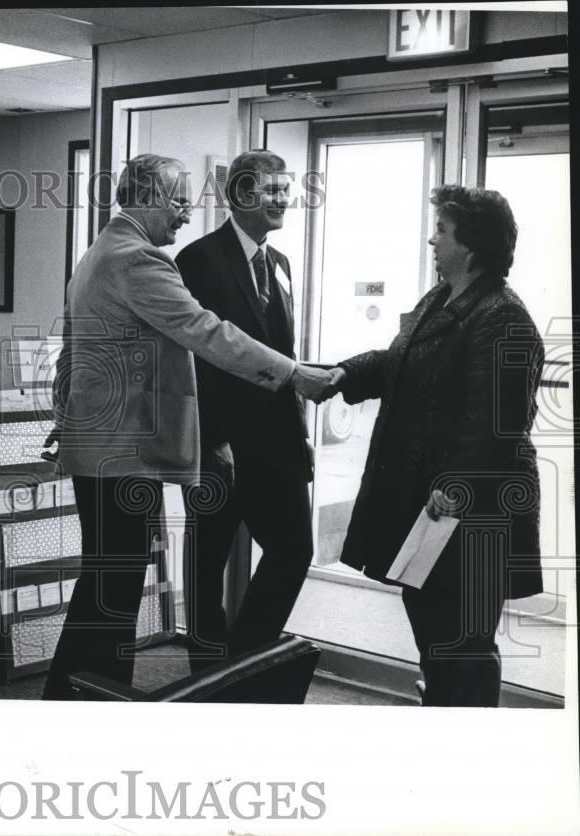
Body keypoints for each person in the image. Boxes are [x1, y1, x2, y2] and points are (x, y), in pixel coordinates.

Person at [41, 153, 336, 699]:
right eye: (178, 202)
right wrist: (294, 374)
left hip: (103, 447)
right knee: (114, 592)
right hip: (123, 452)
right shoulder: (139, 259)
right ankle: (89, 706)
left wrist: (66, 417)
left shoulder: (99, 251)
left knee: (105, 589)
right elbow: (207, 332)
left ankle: (73, 702)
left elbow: (71, 349)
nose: (184, 213)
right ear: (149, 196)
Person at [332, 184, 544, 707]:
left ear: (469, 246)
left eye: (442, 231)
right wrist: (341, 374)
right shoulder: (441, 298)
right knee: (437, 638)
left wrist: (452, 486)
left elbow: (499, 426)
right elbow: (399, 361)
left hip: (469, 515)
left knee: (463, 646)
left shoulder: (503, 316)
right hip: (433, 511)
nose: (432, 240)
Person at [176, 150, 314, 670]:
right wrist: (213, 439)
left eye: (286, 189)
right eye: (272, 190)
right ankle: (206, 677)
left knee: (293, 551)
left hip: (275, 441)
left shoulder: (279, 266)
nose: (283, 200)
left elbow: (282, 356)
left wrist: (298, 435)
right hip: (220, 443)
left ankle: (242, 659)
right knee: (206, 566)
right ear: (239, 195)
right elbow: (195, 357)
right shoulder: (198, 260)